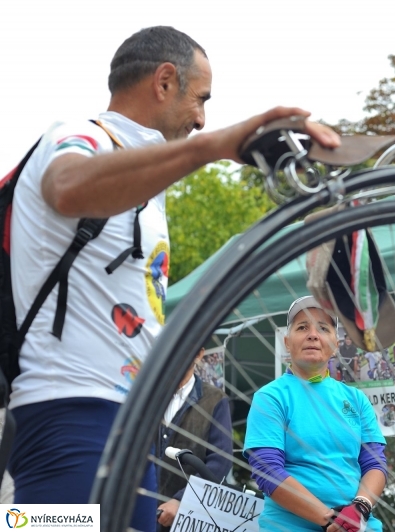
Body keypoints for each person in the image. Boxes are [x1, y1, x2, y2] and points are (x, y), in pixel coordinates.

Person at [5, 25, 339, 529]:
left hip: (126, 421)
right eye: (200, 98)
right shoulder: (78, 137)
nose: (203, 118)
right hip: (71, 413)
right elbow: (66, 186)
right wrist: (213, 147)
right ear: (164, 82)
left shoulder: (142, 178)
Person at [245, 296, 387, 531]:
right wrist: (331, 520)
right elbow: (267, 470)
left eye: (323, 328)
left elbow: (375, 463)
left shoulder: (357, 399)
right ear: (287, 342)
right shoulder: (271, 397)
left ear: (336, 343)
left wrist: (360, 508)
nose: (313, 334)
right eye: (302, 327)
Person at [156, 348, 233, 531]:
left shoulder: (215, 400)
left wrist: (181, 500)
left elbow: (220, 463)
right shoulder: (144, 398)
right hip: (139, 514)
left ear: (199, 354)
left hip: (188, 521)